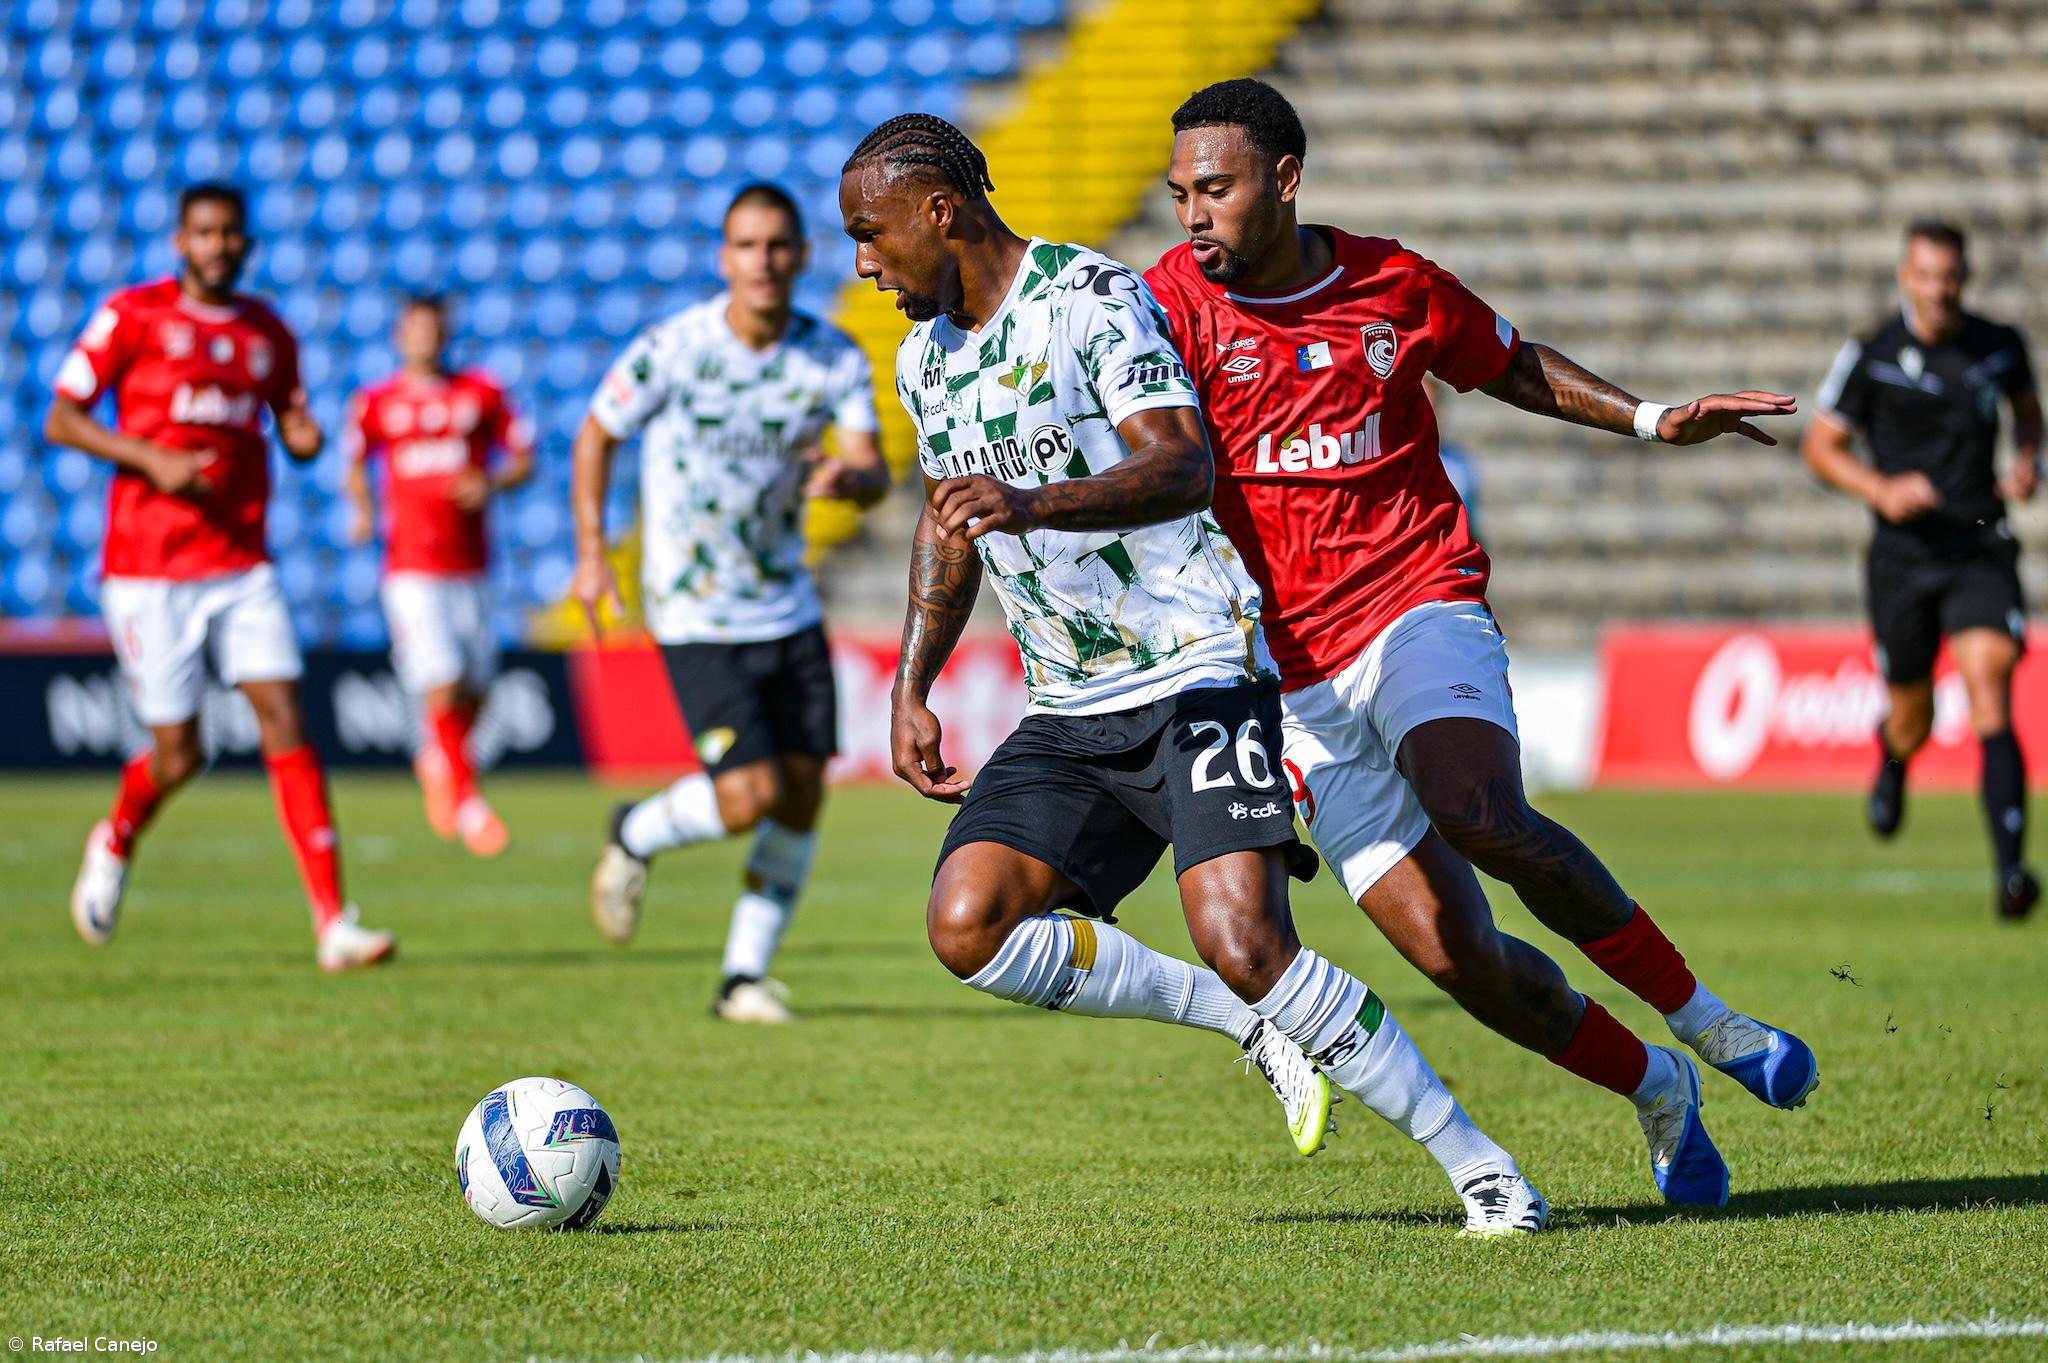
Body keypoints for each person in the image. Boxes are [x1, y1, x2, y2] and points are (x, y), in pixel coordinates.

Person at [842, 112, 1548, 1236]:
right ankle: (1242, 1020)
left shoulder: (1085, 299)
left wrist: (1028, 502)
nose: (865, 266)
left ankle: (1483, 1171)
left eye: (870, 237)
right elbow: (946, 523)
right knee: (966, 926)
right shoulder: (923, 357)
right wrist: (908, 685)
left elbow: (1180, 461)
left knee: (1247, 936)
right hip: (1070, 699)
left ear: (940, 212)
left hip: (1194, 667)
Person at [1143, 78, 1818, 1207]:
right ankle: (1656, 1086)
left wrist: (1649, 417)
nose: (1191, 215)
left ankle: (1707, 1020)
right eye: (1177, 195)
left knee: (1479, 810)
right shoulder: (1162, 307)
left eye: (1213, 189)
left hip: (1414, 600)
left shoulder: (1387, 284)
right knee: (1460, 959)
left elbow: (1507, 362)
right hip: (1287, 677)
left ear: (1284, 181)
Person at [47, 181, 395, 971]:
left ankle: (334, 921)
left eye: (231, 233)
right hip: (149, 567)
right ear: (181, 240)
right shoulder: (132, 316)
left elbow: (295, 427)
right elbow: (62, 416)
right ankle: (117, 835)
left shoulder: (269, 332)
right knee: (179, 752)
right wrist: (149, 458)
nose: (218, 245)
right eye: (204, 232)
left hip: (241, 561)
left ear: (246, 244)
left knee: (284, 713)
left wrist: (303, 438)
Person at [574, 183, 892, 1023]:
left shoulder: (830, 357)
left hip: (784, 602)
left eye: (779, 245)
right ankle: (633, 831)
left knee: (800, 792)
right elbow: (598, 430)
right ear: (725, 258)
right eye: (747, 246)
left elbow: (871, 466)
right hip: (694, 605)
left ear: (801, 255)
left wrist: (848, 478)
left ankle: (741, 978)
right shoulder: (675, 349)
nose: (764, 261)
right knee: (745, 791)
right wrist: (590, 554)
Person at [1803, 222, 2044, 920]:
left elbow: (2029, 417)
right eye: (1928, 276)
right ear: (1907, 276)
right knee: (1913, 714)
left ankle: (2011, 874)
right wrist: (1881, 490)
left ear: (1964, 278)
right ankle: (1896, 758)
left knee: (1989, 684)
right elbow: (1821, 447)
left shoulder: (1999, 346)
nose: (1941, 290)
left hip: (1979, 546)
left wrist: (2030, 461)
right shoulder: (1871, 352)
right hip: (1903, 557)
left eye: (1952, 277)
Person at [345, 294, 534, 857]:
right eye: (415, 328)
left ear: (445, 333)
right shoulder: (376, 403)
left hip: (473, 565)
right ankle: (470, 803)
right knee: (443, 679)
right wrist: (362, 509)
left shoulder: (481, 393)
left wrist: (492, 482)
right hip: (411, 566)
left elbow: (524, 457)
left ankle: (437, 760)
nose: (424, 337)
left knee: (476, 691)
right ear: (401, 336)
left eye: (434, 328)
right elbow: (355, 460)